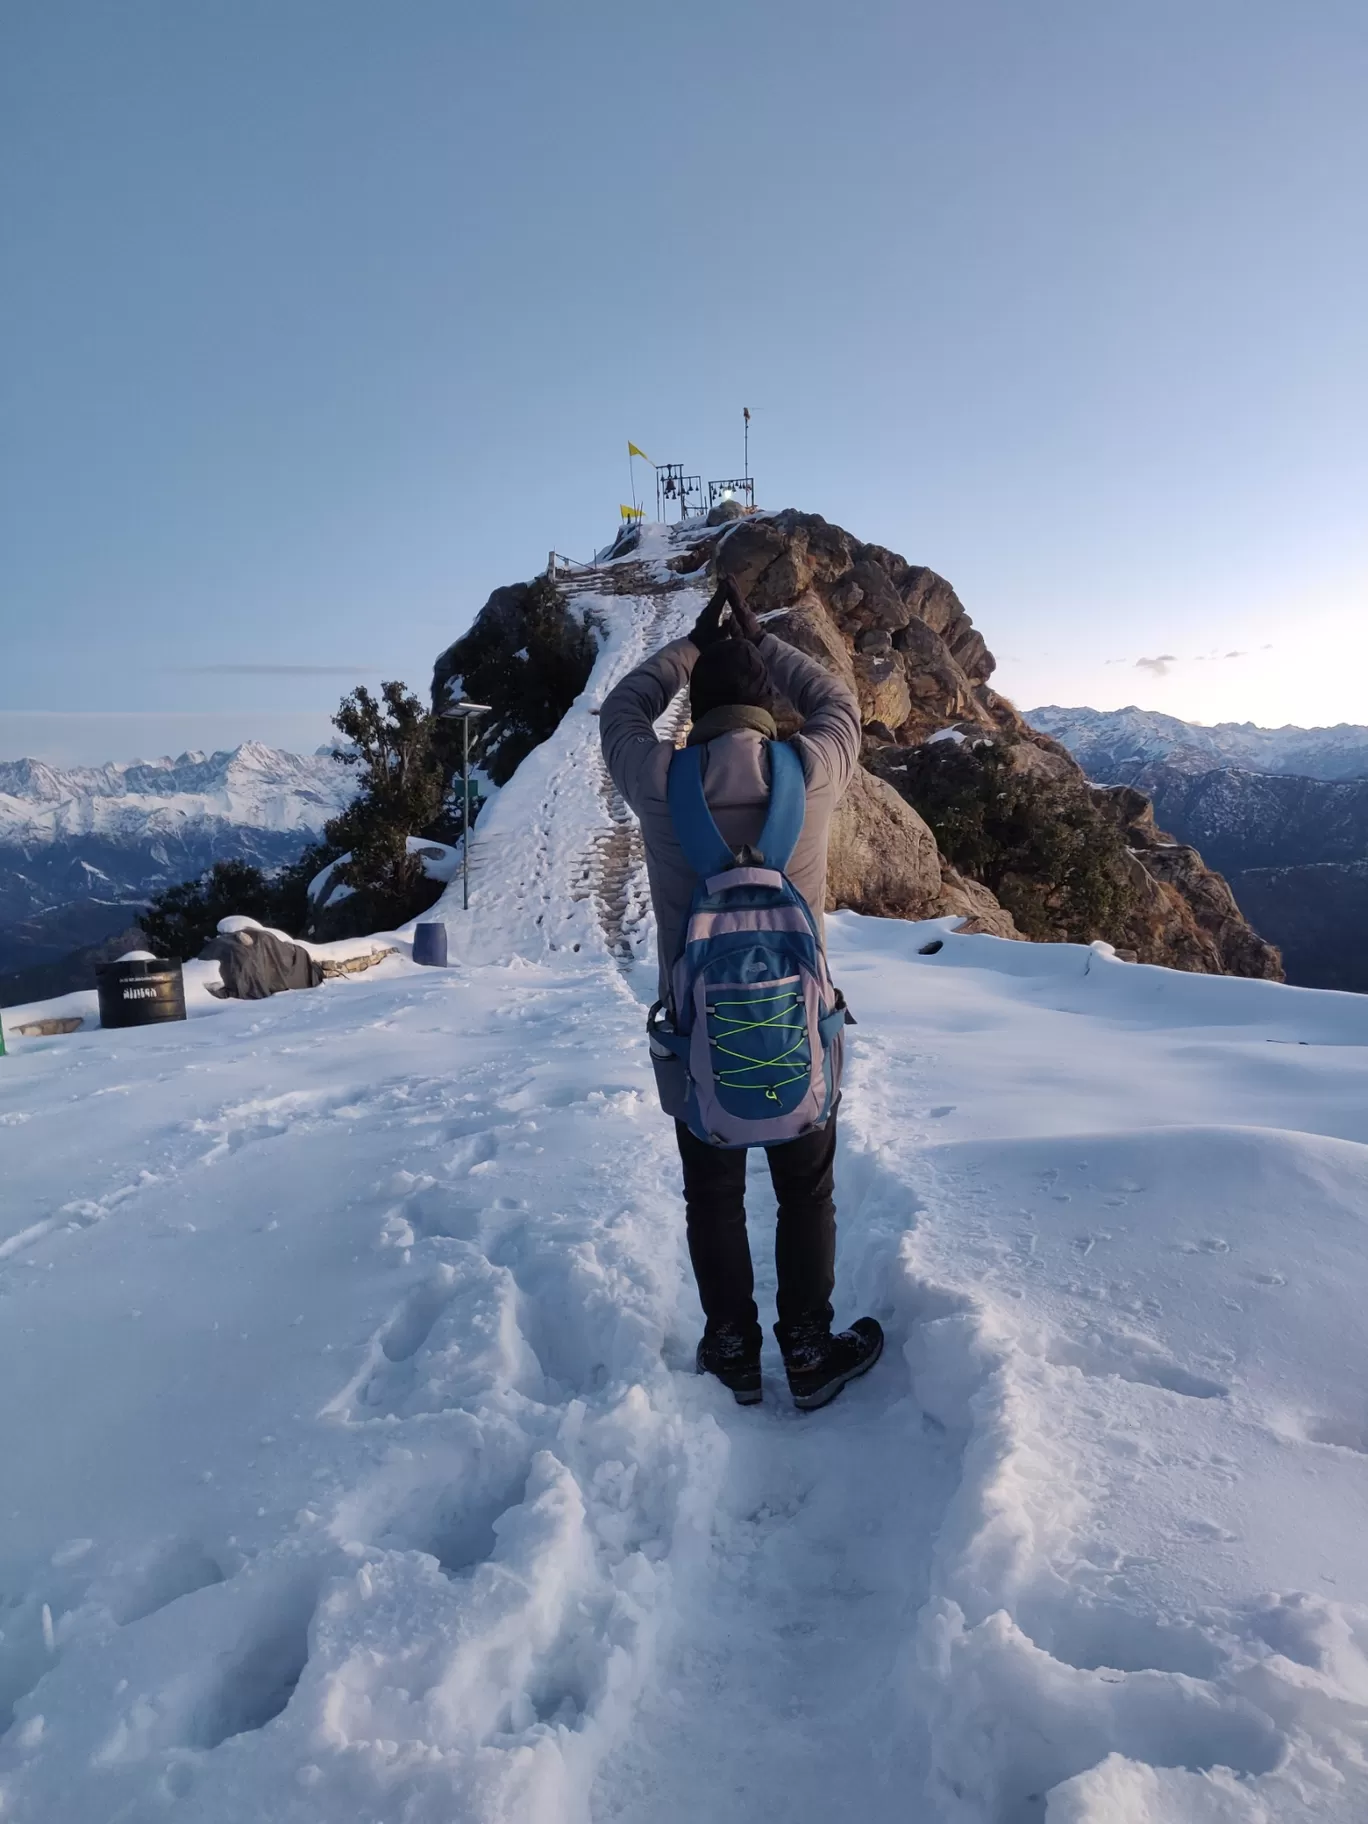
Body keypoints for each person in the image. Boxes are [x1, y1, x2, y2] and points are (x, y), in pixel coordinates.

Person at [600, 576, 883, 1410]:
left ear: (699, 715)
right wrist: (762, 642)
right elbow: (838, 703)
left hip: (699, 1038)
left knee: (713, 1193)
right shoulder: (814, 772)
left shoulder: (659, 779)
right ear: (765, 715)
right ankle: (806, 1349)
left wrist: (691, 649)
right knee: (806, 1188)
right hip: (799, 1033)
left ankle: (732, 1349)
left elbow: (618, 711)